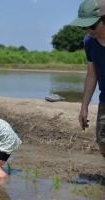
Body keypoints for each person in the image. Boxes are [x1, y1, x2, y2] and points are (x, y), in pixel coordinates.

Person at [70, 0, 105, 158]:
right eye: (84, 27)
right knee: (103, 146)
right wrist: (84, 106)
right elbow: (92, 75)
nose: (88, 30)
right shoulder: (89, 42)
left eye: (92, 26)